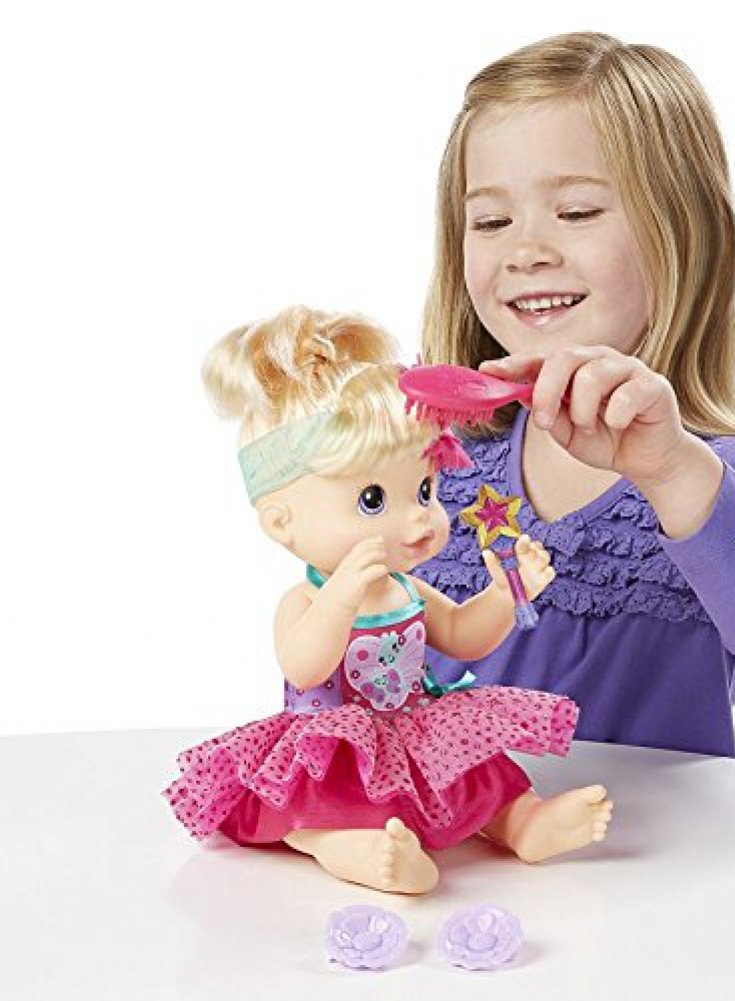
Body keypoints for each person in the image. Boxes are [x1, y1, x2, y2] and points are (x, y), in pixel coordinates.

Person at [411, 32, 735, 757]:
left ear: (681, 232)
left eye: (576, 211)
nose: (525, 251)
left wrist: (672, 470)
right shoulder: (430, 466)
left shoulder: (726, 476)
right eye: (492, 221)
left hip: (649, 839)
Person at [162, 305, 613, 895]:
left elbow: (462, 636)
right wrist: (341, 598)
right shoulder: (305, 600)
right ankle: (349, 847)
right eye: (373, 500)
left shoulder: (405, 588)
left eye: (424, 490)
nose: (420, 519)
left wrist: (506, 594)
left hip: (412, 725)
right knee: (323, 805)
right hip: (334, 746)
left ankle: (523, 821)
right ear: (281, 521)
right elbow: (304, 666)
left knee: (480, 770)